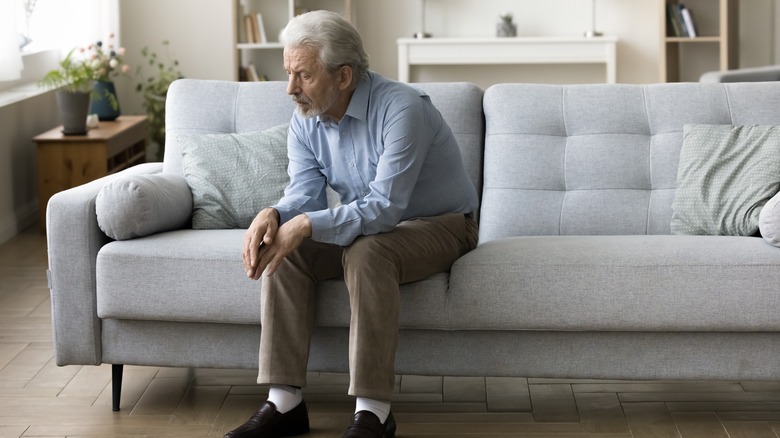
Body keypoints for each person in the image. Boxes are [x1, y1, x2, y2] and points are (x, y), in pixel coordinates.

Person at [227, 10, 479, 438]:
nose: (290, 89)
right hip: (377, 225)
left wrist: (306, 224)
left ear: (343, 77)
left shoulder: (402, 108)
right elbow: (302, 194)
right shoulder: (305, 117)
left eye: (302, 76)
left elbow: (384, 209)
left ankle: (374, 412)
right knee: (286, 250)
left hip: (443, 225)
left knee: (367, 249)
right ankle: (284, 402)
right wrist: (275, 215)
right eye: (289, 73)